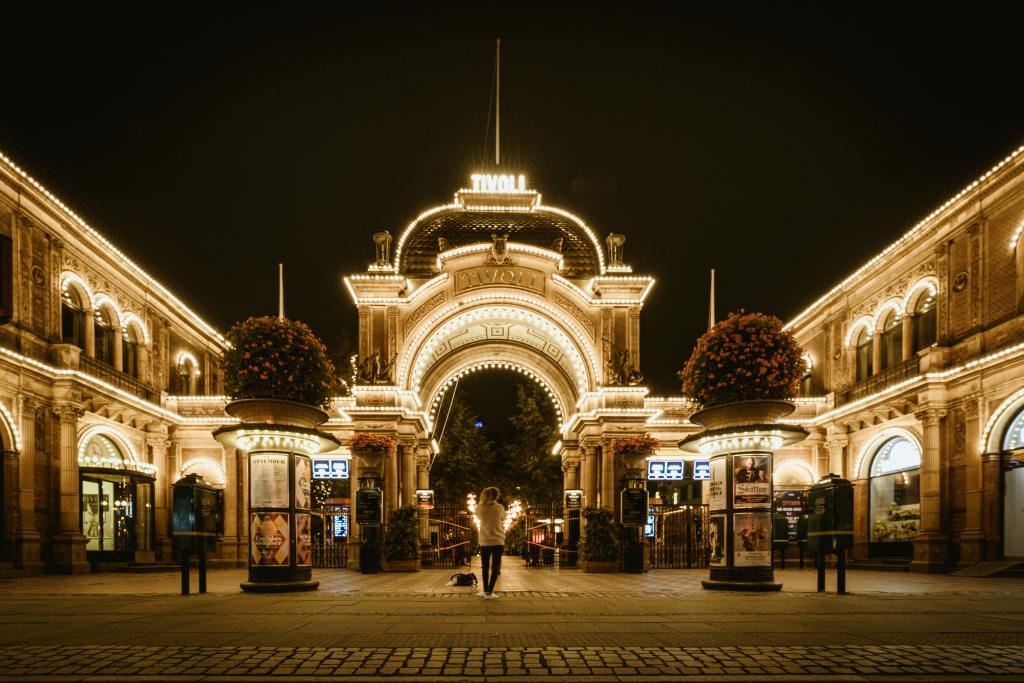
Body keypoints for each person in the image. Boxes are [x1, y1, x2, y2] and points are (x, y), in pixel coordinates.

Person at [476, 486, 506, 599]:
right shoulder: (499, 508)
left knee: (485, 567)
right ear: (496, 496)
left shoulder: (480, 508)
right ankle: (490, 592)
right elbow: (504, 518)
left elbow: (478, 516)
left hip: (484, 540)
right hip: (498, 540)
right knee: (495, 567)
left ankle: (484, 590)